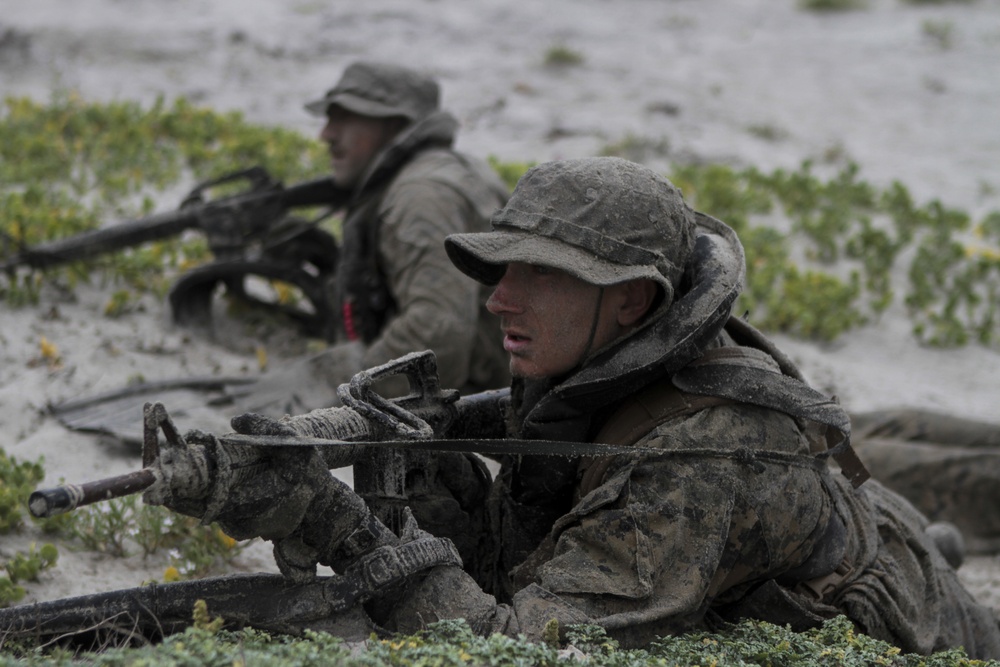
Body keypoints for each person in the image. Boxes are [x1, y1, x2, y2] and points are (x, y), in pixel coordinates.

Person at [181, 157, 1000, 658]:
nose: (500, 298)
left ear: (635, 301)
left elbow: (512, 649)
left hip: (925, 639)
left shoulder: (704, 456)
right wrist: (422, 475)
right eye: (504, 269)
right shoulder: (596, 368)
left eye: (540, 274)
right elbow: (516, 563)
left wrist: (341, 526)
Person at [238, 60, 511, 416]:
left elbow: (438, 334)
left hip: (488, 407)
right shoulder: (446, 170)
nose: (327, 135)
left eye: (346, 118)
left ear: (394, 125)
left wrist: (343, 403)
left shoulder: (420, 197)